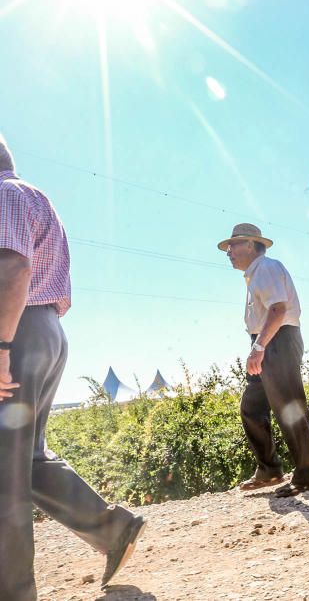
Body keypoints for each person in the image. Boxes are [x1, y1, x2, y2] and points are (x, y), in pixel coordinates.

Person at [0, 137, 145, 599]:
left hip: (18, 333)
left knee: (5, 473)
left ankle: (13, 591)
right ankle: (111, 530)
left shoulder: (4, 194)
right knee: (27, 459)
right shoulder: (32, 195)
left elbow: (13, 268)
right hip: (44, 330)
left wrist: (1, 345)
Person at [220, 223, 309, 497]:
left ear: (252, 245)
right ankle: (269, 470)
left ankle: (307, 475)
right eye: (228, 247)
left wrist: (259, 346)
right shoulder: (255, 275)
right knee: (252, 406)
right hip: (267, 342)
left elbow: (278, 309)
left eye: (234, 245)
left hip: (276, 341)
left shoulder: (265, 267)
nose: (228, 251)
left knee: (289, 408)